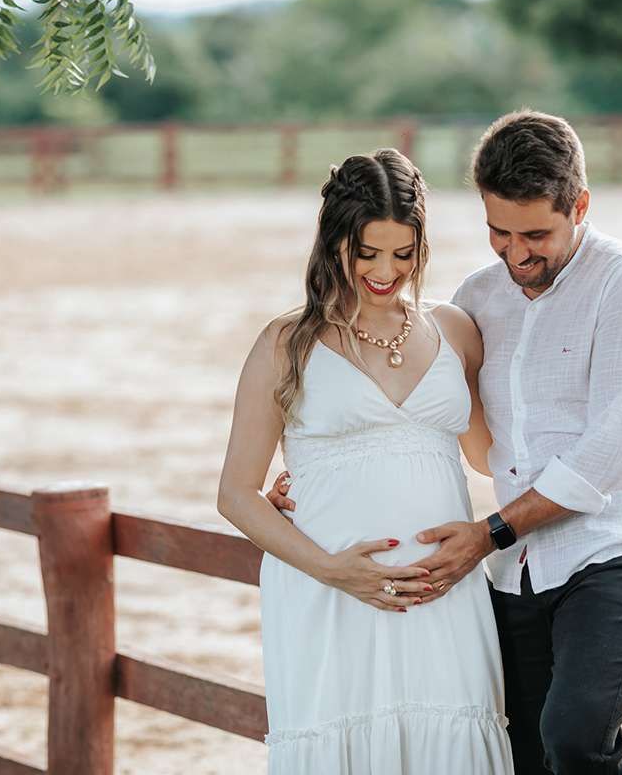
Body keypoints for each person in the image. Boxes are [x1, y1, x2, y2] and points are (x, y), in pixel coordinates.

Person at [270, 111, 622, 775]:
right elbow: (469, 442)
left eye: (537, 234)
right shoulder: (477, 300)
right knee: (515, 746)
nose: (517, 252)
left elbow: (611, 454)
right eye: (499, 232)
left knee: (574, 734)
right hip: (521, 566)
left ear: (579, 206)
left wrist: (489, 531)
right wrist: (318, 480)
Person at [218, 148, 513, 774]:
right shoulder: (285, 344)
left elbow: (492, 458)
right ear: (334, 243)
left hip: (442, 589)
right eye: (366, 252)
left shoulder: (456, 330)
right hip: (330, 592)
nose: (385, 271)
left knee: (453, 740)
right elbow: (237, 494)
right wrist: (332, 570)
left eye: (403, 254)